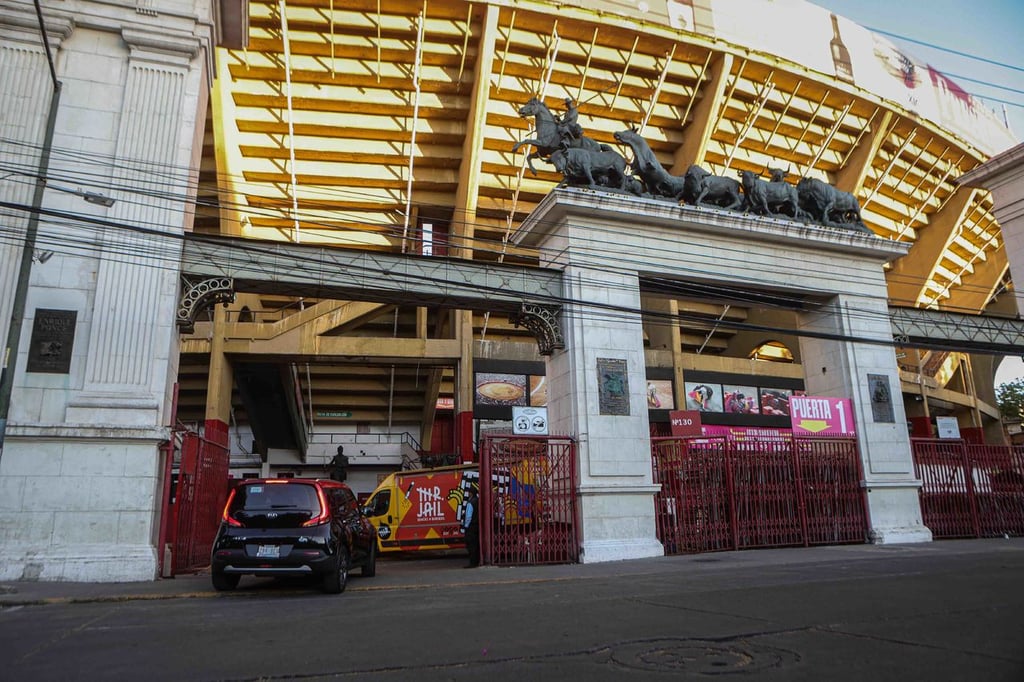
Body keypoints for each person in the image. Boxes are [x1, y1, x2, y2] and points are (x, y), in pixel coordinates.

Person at [462, 487, 480, 568]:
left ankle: (472, 563)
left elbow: (468, 516)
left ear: (471, 493)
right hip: (477, 525)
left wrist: (466, 526)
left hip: (471, 527)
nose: (468, 494)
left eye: (469, 492)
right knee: (476, 545)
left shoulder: (470, 503)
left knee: (470, 545)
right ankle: (477, 561)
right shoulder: (478, 501)